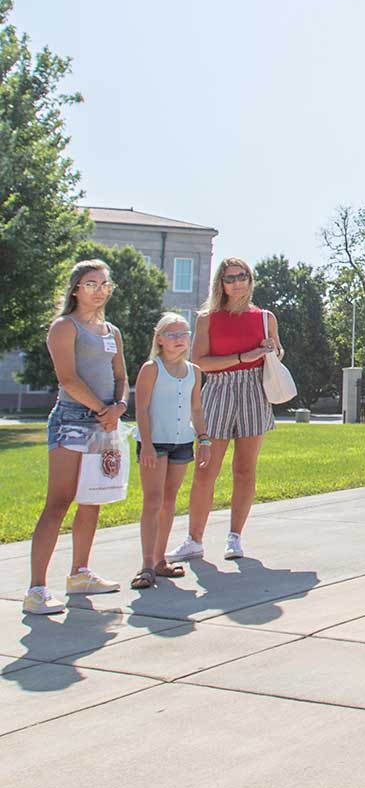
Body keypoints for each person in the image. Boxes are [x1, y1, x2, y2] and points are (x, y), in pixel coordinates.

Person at [25, 260, 126, 615]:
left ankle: (79, 573)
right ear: (75, 289)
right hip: (72, 420)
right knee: (59, 502)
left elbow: (121, 377)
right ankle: (36, 589)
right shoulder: (63, 327)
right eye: (90, 283)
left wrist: (119, 406)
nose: (99, 289)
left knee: (92, 499)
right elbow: (67, 379)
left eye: (104, 283)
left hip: (105, 422)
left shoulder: (112, 332)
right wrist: (102, 408)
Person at [165, 258, 280, 563]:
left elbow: (277, 354)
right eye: (230, 278)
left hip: (254, 391)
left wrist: (272, 350)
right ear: (221, 283)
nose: (238, 283)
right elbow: (201, 361)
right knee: (206, 469)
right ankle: (194, 539)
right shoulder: (207, 318)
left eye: (243, 276)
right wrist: (244, 356)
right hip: (218, 389)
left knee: (245, 470)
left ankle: (235, 537)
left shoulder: (266, 317)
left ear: (250, 280)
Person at [131, 314, 210, 589]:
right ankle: (146, 565)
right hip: (155, 443)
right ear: (160, 340)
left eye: (183, 333)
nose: (179, 340)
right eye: (172, 335)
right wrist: (148, 444)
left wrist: (204, 439)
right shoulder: (152, 368)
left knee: (169, 500)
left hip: (182, 443)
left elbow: (196, 407)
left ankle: (160, 560)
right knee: (152, 501)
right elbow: (141, 409)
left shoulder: (194, 371)